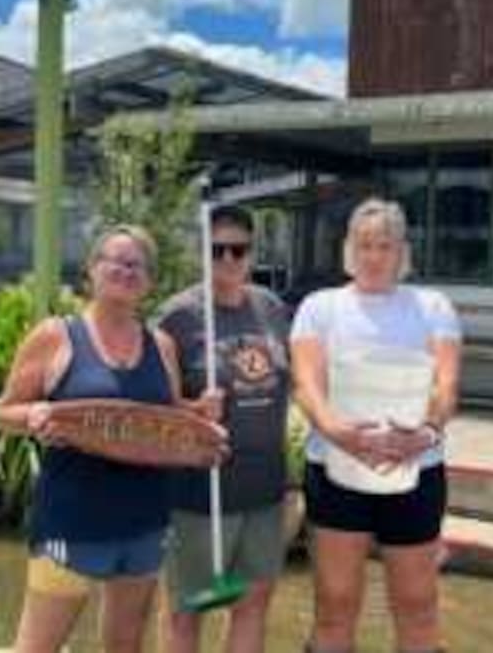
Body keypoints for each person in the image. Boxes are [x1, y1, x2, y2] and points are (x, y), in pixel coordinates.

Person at [0, 225, 221, 653]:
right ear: (91, 271)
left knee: (125, 644)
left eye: (136, 265)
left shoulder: (163, 346)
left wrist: (198, 412)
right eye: (113, 261)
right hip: (70, 520)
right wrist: (36, 414)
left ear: (149, 282)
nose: (124, 271)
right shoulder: (54, 336)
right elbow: (3, 412)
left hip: (143, 520)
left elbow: (164, 415)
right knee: (37, 648)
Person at [290, 198, 461, 653]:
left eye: (384, 245)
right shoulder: (319, 307)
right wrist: (336, 431)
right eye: (364, 244)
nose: (373, 255)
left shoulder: (432, 306)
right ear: (348, 248)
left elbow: (446, 384)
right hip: (336, 468)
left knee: (417, 602)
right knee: (335, 602)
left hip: (415, 471)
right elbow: (306, 384)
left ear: (402, 251)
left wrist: (426, 432)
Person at [157, 204, 291, 653]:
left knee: (253, 603)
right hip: (200, 495)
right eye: (218, 250)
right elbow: (154, 405)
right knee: (187, 609)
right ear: (203, 253)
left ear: (253, 253)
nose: (229, 259)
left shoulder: (272, 308)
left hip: (264, 492)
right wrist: (194, 409)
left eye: (239, 250)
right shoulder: (177, 316)